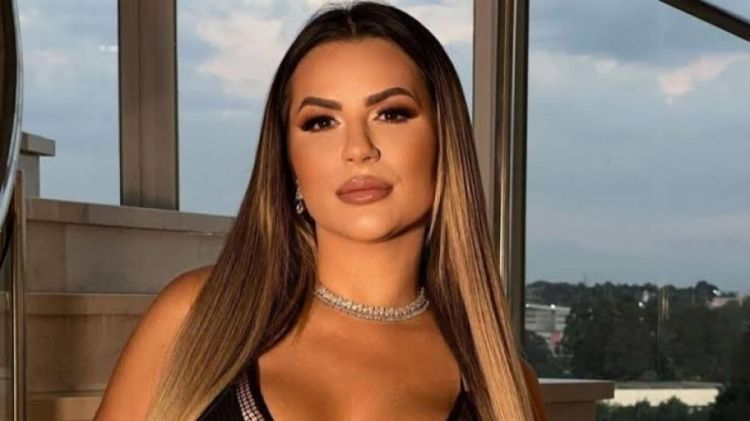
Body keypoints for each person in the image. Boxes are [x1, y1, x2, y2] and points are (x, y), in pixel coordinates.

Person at [95, 1, 548, 420]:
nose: (358, 148)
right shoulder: (198, 316)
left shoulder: (502, 389)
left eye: (391, 113)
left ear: (444, 140)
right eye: (321, 122)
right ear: (289, 162)